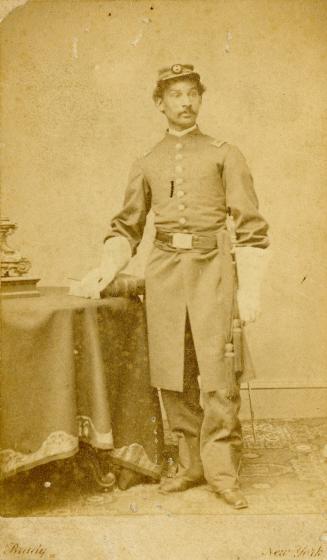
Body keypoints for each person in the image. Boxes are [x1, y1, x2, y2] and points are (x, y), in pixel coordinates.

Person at [80, 63, 270, 509]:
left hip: (213, 268)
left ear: (200, 99)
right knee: (172, 370)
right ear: (159, 103)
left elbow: (252, 228)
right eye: (176, 95)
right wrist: (105, 268)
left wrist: (251, 287)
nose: (186, 102)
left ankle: (222, 469)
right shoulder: (146, 162)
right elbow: (127, 227)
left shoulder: (227, 154)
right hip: (164, 271)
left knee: (218, 373)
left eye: (192, 94)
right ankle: (189, 464)